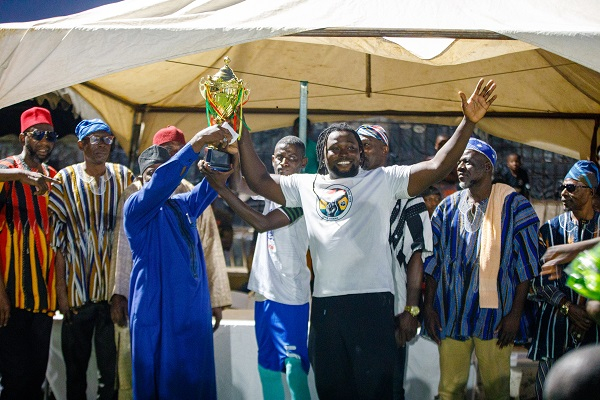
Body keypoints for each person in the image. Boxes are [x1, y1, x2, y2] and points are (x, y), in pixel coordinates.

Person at [237, 78, 497, 399]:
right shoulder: (306, 185)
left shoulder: (383, 180)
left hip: (373, 303)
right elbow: (259, 179)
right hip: (326, 306)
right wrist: (240, 127)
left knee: (375, 391)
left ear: (361, 154)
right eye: (336, 148)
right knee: (332, 390)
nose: (344, 152)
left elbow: (436, 165)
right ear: (323, 153)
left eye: (351, 147)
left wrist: (468, 122)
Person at [108, 126, 232, 399]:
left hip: (189, 309)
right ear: (141, 179)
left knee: (192, 379)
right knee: (157, 380)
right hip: (155, 308)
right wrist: (197, 140)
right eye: (150, 174)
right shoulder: (135, 207)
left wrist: (225, 152)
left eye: (161, 171)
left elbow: (212, 186)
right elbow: (161, 184)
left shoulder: (182, 204)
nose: (156, 180)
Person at [422, 138, 539, 400]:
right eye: (459, 162)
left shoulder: (515, 207)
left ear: (487, 167)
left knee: (497, 390)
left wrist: (515, 315)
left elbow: (528, 265)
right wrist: (429, 307)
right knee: (449, 389)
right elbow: (432, 262)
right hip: (451, 313)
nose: (460, 167)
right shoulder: (447, 207)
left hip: (496, 317)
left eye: (468, 161)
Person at [203, 135, 312, 400]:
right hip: (263, 293)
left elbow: (262, 223)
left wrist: (222, 190)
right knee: (267, 366)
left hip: (290, 295)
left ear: (303, 164)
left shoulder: (301, 193)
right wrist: (237, 155)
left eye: (292, 158)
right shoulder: (271, 187)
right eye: (280, 157)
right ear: (272, 160)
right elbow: (242, 183)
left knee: (293, 366)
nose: (284, 163)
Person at [50, 118, 134, 400]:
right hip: (77, 295)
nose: (102, 144)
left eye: (107, 138)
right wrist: (62, 296)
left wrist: (122, 292)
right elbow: (58, 243)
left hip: (111, 297)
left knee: (110, 378)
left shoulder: (124, 177)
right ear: (81, 144)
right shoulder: (64, 179)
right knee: (75, 375)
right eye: (95, 139)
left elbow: (130, 237)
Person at [356, 124, 433, 400]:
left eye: (366, 144)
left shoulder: (407, 194)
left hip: (392, 306)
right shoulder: (346, 191)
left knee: (389, 387)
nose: (360, 151)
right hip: (354, 305)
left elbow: (415, 256)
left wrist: (411, 310)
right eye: (357, 145)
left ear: (384, 149)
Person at [528, 160, 600, 400]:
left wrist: (588, 311)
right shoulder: (549, 230)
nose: (563, 192)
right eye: (563, 186)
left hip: (595, 328)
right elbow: (537, 280)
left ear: (590, 191)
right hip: (555, 328)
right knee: (548, 392)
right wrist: (569, 308)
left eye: (571, 187)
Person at [0, 107, 59, 399]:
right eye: (38, 135)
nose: (45, 142)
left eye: (50, 136)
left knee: (35, 379)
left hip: (43, 298)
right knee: (13, 380)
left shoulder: (53, 176)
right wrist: (20, 175)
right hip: (10, 294)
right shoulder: (8, 170)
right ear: (24, 136)